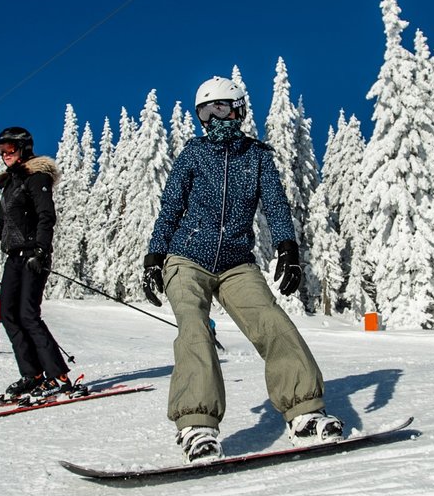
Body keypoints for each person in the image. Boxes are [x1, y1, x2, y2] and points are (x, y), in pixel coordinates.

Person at [142, 76, 343, 464]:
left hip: (236, 262)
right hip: (185, 258)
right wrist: (155, 256)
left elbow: (276, 205)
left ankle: (304, 412)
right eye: (204, 111)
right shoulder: (193, 154)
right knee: (194, 328)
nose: (212, 118)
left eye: (220, 108)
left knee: (271, 322)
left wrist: (287, 245)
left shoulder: (258, 157)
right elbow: (169, 208)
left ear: (238, 110)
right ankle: (197, 425)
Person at [0, 127, 75, 400]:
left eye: (10, 149)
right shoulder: (10, 184)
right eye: (1, 151)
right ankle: (32, 374)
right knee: (8, 315)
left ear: (23, 148)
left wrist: (41, 251)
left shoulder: (37, 177)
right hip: (13, 257)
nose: (5, 155)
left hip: (33, 255)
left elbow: (47, 217)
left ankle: (57, 375)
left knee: (27, 314)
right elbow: (3, 227)